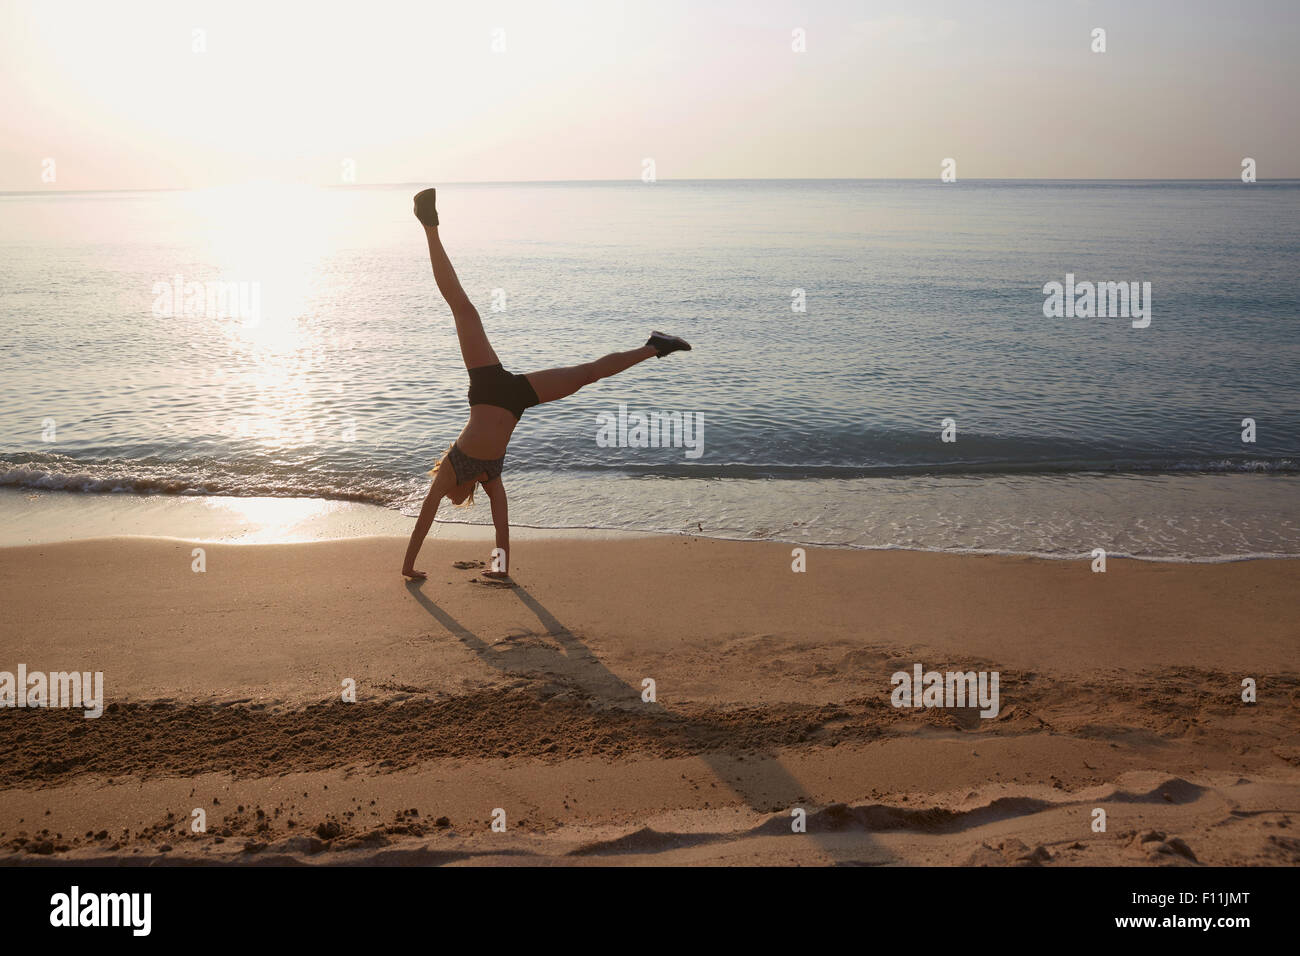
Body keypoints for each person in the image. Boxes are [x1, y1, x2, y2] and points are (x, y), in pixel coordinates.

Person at [401, 188, 691, 580]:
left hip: (487, 386)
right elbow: (501, 523)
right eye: (457, 500)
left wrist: (408, 566)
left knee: (464, 310)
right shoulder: (488, 476)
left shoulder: (451, 471)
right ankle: (655, 346)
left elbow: (425, 515)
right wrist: (500, 569)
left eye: (451, 499)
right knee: (587, 375)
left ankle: (429, 224)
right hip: (514, 397)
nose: (452, 499)